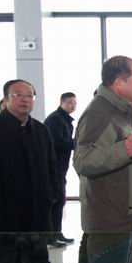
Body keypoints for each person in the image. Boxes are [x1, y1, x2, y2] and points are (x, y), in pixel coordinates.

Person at [73, 56, 132, 263]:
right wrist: (124, 150)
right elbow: (83, 160)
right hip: (110, 219)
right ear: (119, 83)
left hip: (120, 214)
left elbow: (113, 152)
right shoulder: (100, 113)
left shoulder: (119, 110)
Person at [0, 79, 58, 263]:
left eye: (30, 95)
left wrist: (50, 194)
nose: (25, 100)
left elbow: (52, 167)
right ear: (5, 99)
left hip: (37, 215)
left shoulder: (41, 130)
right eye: (18, 95)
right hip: (5, 214)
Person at [43, 92, 77, 247]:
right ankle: (50, 236)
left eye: (74, 103)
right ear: (61, 102)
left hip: (60, 168)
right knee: (55, 202)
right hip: (53, 168)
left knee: (59, 201)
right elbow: (57, 142)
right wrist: (77, 143)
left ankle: (57, 233)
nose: (73, 106)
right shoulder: (55, 119)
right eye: (69, 102)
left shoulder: (64, 119)